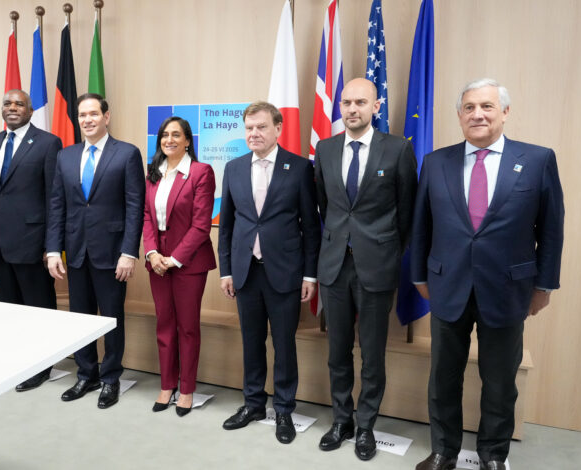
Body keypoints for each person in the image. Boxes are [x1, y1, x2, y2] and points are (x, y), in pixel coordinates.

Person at [411, 78, 564, 470]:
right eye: (469, 107)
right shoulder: (436, 162)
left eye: (487, 106)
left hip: (508, 289)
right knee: (443, 377)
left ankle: (493, 455)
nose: (477, 114)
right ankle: (444, 451)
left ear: (505, 112)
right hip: (448, 285)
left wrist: (544, 286)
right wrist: (419, 277)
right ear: (459, 115)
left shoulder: (537, 159)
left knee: (499, 381)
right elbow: (421, 225)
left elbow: (551, 228)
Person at [313, 78, 418, 460]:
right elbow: (326, 205)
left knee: (372, 355)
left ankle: (366, 426)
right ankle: (342, 420)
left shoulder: (398, 149)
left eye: (360, 102)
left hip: (377, 266)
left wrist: (386, 251)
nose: (352, 109)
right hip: (335, 266)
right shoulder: (325, 149)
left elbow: (407, 212)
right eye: (346, 102)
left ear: (376, 106)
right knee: (337, 351)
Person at [217, 101, 320, 444]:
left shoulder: (300, 167)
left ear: (277, 128)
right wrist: (226, 270)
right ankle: (253, 404)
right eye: (249, 128)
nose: (254, 133)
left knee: (284, 344)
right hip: (245, 272)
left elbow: (311, 226)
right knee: (251, 341)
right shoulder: (233, 168)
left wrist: (309, 275)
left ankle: (284, 410)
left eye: (261, 127)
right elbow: (226, 226)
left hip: (285, 272)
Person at [47, 93, 145, 409]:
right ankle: (86, 374)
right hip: (75, 251)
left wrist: (129, 252)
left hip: (113, 253)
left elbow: (135, 206)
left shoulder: (127, 154)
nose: (87, 120)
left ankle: (110, 378)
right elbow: (57, 205)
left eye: (93, 113)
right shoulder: (65, 156)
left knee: (112, 318)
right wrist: (53, 249)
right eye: (82, 115)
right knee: (80, 317)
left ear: (106, 116)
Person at [0, 89, 62, 392]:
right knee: (9, 311)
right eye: (7, 103)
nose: (12, 107)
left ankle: (41, 366)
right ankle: (16, 363)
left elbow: (54, 198)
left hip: (32, 243)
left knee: (38, 310)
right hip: (0, 245)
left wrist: (51, 245)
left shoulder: (47, 143)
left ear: (30, 110)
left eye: (19, 104)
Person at [143, 117, 216, 417]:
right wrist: (152, 254)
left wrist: (173, 259)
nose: (169, 139)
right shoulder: (153, 173)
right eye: (165, 134)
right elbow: (147, 216)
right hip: (157, 262)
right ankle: (167, 385)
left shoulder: (200, 172)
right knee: (164, 324)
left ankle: (186, 389)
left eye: (176, 134)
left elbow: (201, 225)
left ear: (187, 140)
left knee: (187, 327)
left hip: (188, 263)